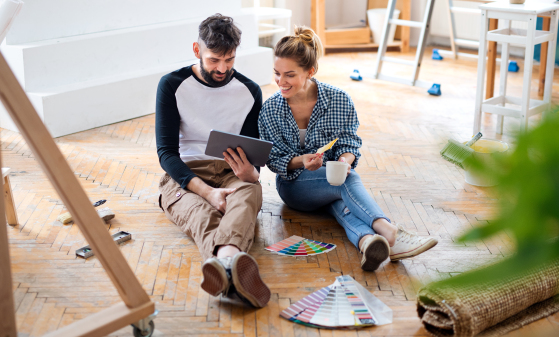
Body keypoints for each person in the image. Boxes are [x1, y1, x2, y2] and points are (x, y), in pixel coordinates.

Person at [258, 26, 438, 272]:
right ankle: (390, 230)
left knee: (341, 204)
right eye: (277, 73)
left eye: (289, 74)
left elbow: (349, 142)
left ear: (311, 71)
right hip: (293, 187)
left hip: (329, 183)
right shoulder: (270, 109)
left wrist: (344, 159)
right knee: (347, 180)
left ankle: (369, 242)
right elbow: (273, 158)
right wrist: (302, 161)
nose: (281, 81)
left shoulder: (338, 100)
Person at [155, 14, 270, 308]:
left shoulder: (250, 91)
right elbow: (166, 153)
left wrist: (252, 173)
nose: (222, 68)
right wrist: (207, 193)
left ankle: (225, 263)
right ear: (197, 50)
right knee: (202, 215)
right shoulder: (172, 85)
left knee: (250, 192)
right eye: (214, 59)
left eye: (229, 59)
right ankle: (234, 269)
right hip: (185, 174)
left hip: (231, 171)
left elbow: (252, 153)